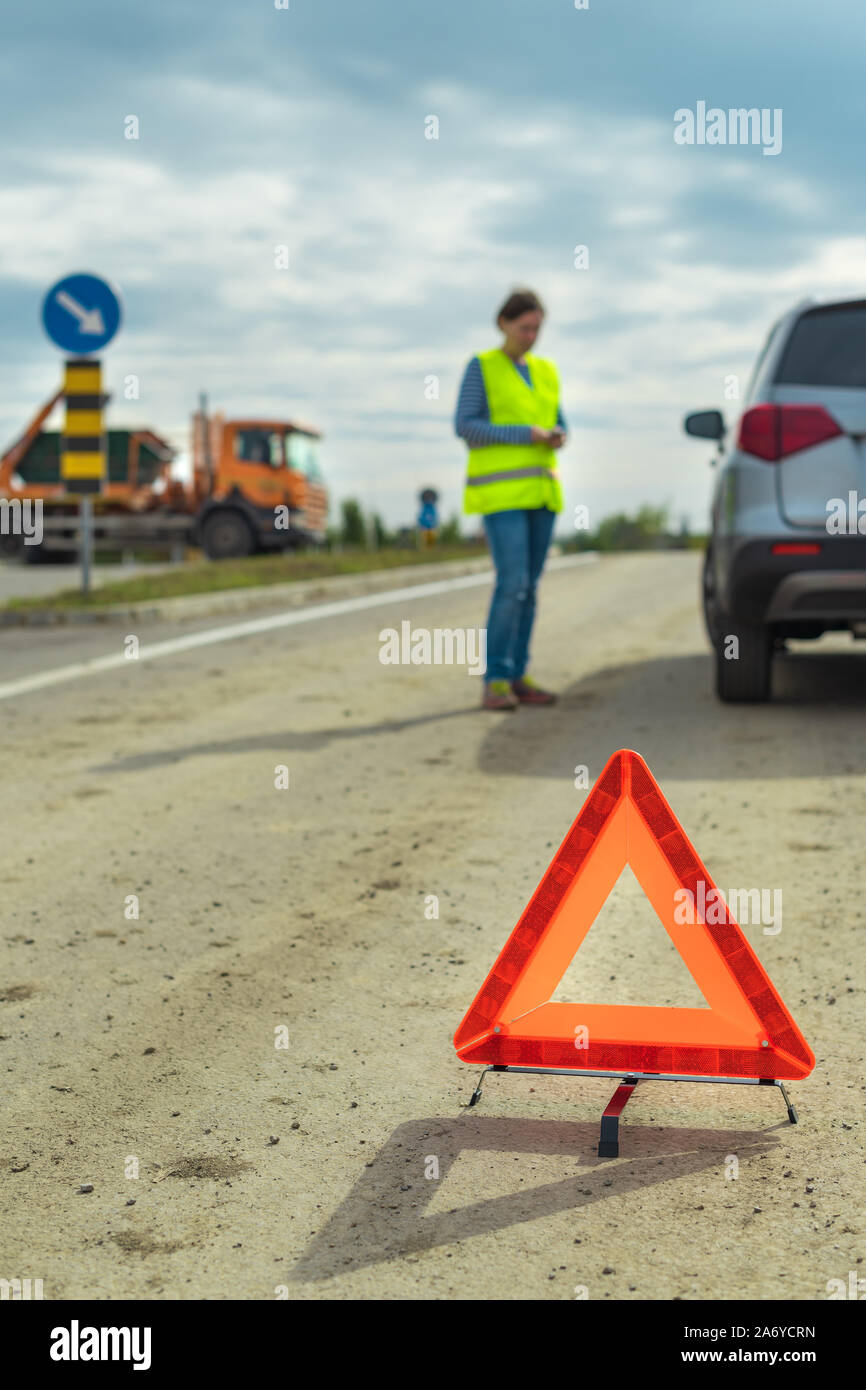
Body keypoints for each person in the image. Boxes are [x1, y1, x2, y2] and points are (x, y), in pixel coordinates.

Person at [454, 288, 566, 710]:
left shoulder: (547, 371)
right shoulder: (482, 367)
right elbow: (466, 426)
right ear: (503, 323)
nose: (532, 335)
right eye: (524, 327)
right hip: (501, 495)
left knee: (530, 589)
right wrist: (526, 435)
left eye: (537, 328)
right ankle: (495, 680)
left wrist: (558, 434)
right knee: (512, 584)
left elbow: (558, 419)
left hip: (542, 492)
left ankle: (519, 675)